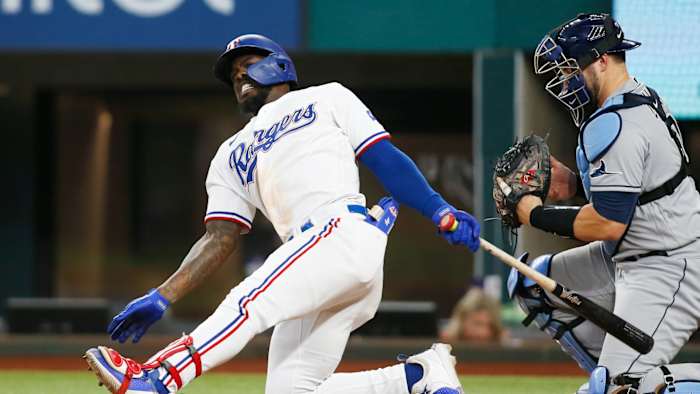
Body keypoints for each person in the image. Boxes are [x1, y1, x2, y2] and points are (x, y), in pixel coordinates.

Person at [83, 34, 480, 394]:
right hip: (311, 261)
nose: (240, 77)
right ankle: (416, 377)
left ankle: (158, 378)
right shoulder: (229, 154)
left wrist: (440, 211)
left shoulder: (327, 97)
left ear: (279, 65)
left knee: (246, 302)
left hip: (340, 231)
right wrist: (162, 295)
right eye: (234, 75)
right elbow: (218, 238)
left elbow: (384, 158)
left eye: (248, 65)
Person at [506, 13, 700, 394]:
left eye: (570, 70)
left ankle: (623, 383)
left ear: (601, 60)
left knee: (624, 387)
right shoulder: (633, 99)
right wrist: (576, 186)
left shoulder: (617, 122)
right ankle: (613, 380)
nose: (565, 82)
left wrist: (534, 213)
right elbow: (636, 193)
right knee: (532, 285)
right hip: (628, 256)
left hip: (669, 266)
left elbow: (608, 223)